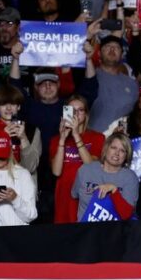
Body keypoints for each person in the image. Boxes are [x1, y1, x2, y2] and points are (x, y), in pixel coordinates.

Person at [50, 95, 104, 223]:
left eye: (80, 110)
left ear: (85, 114)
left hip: (87, 194)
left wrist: (75, 135)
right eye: (72, 110)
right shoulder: (56, 140)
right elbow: (56, 171)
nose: (76, 114)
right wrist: (62, 140)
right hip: (64, 196)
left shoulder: (97, 138)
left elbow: (91, 166)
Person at [72, 133, 139, 221]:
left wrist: (114, 191)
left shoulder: (130, 178)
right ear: (106, 148)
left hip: (114, 232)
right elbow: (74, 196)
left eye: (122, 150)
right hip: (85, 231)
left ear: (127, 156)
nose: (117, 153)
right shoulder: (85, 170)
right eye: (113, 148)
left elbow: (127, 215)